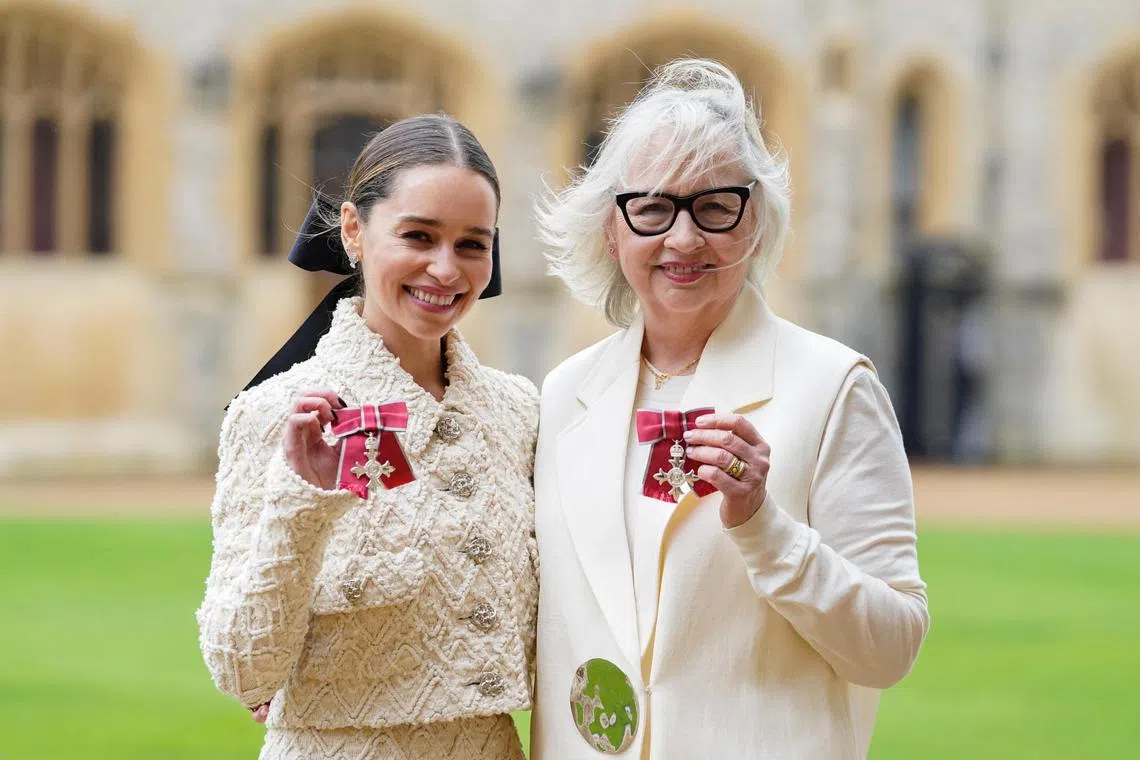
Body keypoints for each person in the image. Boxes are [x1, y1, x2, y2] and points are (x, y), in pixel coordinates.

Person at [530, 59, 929, 759]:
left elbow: (890, 649)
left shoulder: (833, 387)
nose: (684, 239)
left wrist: (764, 527)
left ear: (757, 223)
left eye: (716, 206)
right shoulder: (564, 394)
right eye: (652, 208)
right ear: (611, 231)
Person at [196, 114, 539, 760]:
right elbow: (242, 670)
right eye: (419, 236)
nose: (445, 269)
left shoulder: (519, 413)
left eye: (472, 244)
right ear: (353, 230)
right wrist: (301, 503)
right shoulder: (274, 415)